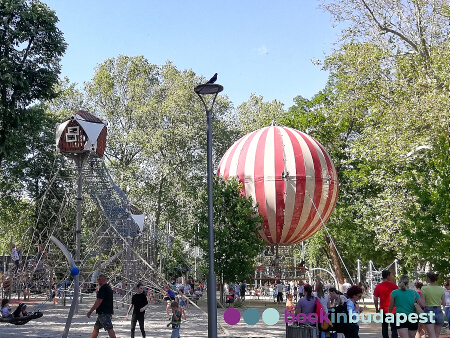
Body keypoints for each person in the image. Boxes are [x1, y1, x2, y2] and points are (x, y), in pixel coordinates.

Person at [374, 270, 398, 338]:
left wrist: (376, 308)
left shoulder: (378, 286)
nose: (391, 277)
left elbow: (375, 299)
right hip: (393, 310)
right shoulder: (394, 286)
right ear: (387, 276)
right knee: (394, 328)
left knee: (384, 327)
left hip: (383, 310)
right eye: (390, 275)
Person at [421, 272, 446, 338]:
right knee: (437, 335)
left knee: (431, 335)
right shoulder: (441, 289)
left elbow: (423, 304)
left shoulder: (424, 288)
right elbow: (444, 303)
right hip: (439, 311)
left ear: (428, 278)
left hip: (428, 311)